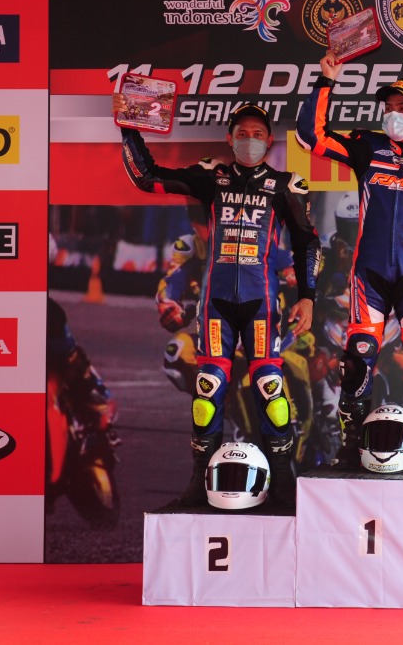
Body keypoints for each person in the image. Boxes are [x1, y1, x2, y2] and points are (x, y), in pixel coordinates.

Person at [118, 101, 319, 506]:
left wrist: (308, 298)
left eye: (257, 134)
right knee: (207, 390)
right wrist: (129, 128)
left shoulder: (287, 185)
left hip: (262, 304)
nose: (250, 140)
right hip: (216, 305)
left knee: (270, 388)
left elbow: (306, 244)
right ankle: (199, 484)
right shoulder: (212, 176)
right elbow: (147, 178)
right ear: (229, 138)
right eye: (242, 134)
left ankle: (283, 485)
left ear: (269, 140)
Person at [296, 56, 403, 470]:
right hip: (368, 275)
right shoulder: (367, 147)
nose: (394, 114)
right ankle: (350, 446)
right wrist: (326, 80)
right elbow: (310, 135)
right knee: (358, 356)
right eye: (388, 107)